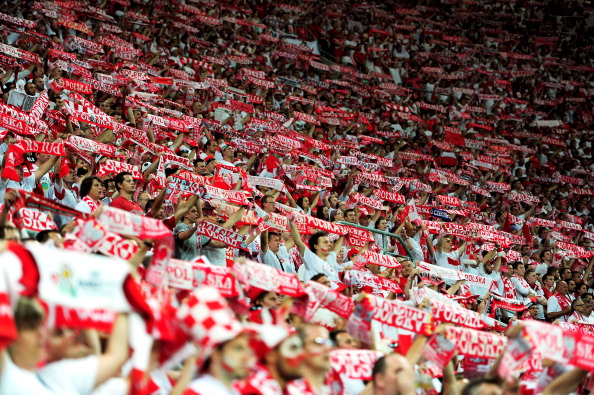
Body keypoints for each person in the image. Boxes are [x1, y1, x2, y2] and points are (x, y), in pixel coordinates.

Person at [0, 297, 129, 395]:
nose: (40, 333)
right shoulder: (6, 375)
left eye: (40, 326)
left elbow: (116, 356)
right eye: (30, 328)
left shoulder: (57, 374)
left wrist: (127, 299)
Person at [289, 216, 345, 285]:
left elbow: (336, 248)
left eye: (329, 242)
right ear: (316, 246)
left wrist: (342, 234)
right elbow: (298, 242)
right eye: (325, 242)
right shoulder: (311, 259)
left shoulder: (330, 257)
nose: (329, 244)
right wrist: (291, 222)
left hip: (336, 291)